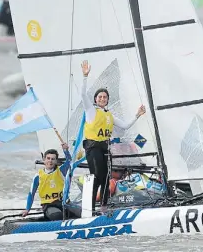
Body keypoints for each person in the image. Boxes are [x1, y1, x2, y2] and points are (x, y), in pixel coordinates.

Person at [80, 60, 146, 214]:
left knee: (106, 177)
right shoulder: (91, 111)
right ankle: (89, 208)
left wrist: (137, 115)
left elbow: (125, 125)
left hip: (104, 147)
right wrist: (85, 76)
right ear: (96, 99)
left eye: (105, 97)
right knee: (98, 176)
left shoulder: (109, 115)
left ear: (107, 100)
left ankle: (103, 206)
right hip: (92, 147)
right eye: (100, 97)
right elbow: (83, 94)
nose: (102, 99)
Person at [22, 143, 71, 221]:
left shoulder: (61, 170)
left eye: (53, 159)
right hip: (49, 205)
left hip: (64, 203)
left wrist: (66, 151)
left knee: (84, 212)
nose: (50, 161)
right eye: (48, 158)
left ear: (56, 161)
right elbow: (31, 194)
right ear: (44, 160)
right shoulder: (38, 176)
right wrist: (27, 209)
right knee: (57, 216)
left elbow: (69, 161)